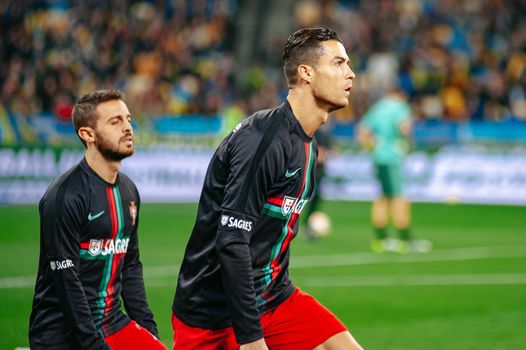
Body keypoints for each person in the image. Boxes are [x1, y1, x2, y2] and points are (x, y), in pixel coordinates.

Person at [172, 28, 362, 350]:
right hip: (215, 314)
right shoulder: (263, 139)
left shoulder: (308, 144)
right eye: (339, 63)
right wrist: (251, 340)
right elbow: (232, 242)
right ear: (306, 73)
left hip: (274, 299)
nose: (351, 74)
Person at [28, 89, 167, 350]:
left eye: (128, 119)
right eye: (115, 122)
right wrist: (94, 345)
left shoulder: (128, 191)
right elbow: (67, 281)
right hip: (61, 332)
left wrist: (148, 332)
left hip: (112, 322)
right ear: (87, 134)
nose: (127, 128)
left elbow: (131, 266)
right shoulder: (64, 197)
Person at [357, 87, 431, 254]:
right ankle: (404, 239)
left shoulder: (378, 107)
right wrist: (407, 142)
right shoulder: (400, 108)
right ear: (402, 95)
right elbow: (405, 128)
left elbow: (362, 132)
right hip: (392, 158)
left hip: (379, 157)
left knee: (383, 197)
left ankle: (380, 239)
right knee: (399, 197)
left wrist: (372, 148)